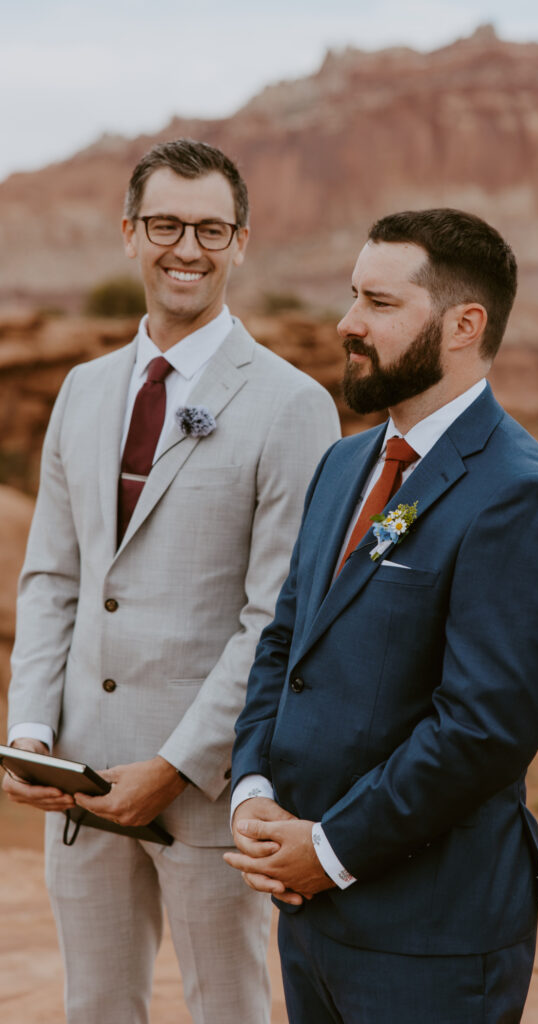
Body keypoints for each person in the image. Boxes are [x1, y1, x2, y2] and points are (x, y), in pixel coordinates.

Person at [3, 138, 340, 1024]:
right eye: (164, 225)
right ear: (128, 233)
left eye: (208, 229)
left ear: (241, 242)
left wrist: (176, 766)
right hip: (78, 780)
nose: (185, 248)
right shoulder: (81, 390)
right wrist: (32, 730)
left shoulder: (292, 403)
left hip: (208, 791)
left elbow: (276, 616)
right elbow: (51, 578)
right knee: (97, 1007)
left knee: (227, 1007)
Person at [224, 208, 538, 1023]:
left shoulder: (516, 495)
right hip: (309, 918)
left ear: (465, 325)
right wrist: (251, 787)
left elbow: (483, 729)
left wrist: (329, 848)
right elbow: (286, 642)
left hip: (431, 939)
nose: (348, 324)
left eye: (381, 305)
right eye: (353, 296)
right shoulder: (345, 462)